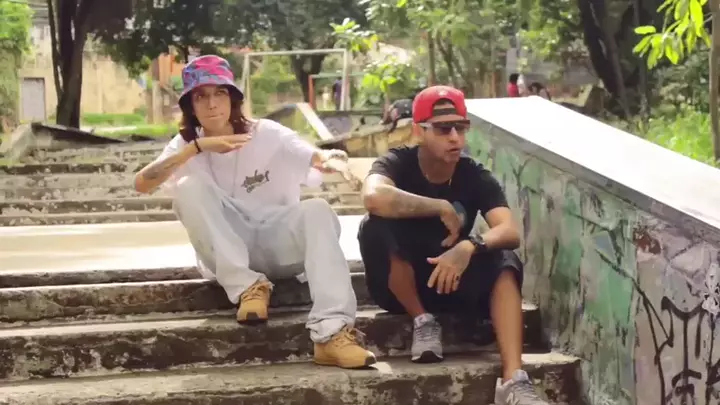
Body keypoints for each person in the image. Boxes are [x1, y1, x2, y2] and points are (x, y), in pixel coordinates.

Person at [134, 55, 376, 370]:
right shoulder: (185, 145)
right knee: (189, 187)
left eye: (220, 93)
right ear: (190, 105)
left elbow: (313, 156)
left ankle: (332, 334)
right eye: (201, 96)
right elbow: (142, 183)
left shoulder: (267, 133)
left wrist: (334, 161)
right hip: (227, 256)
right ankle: (248, 287)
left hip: (278, 245)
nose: (211, 104)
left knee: (317, 210)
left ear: (233, 99)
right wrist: (196, 149)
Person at [357, 85, 550, 405]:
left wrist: (469, 246)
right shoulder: (398, 163)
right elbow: (373, 197)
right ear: (419, 131)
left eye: (460, 128)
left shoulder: (473, 174)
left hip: (450, 278)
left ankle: (513, 380)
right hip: (399, 286)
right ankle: (422, 320)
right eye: (443, 129)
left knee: (505, 258)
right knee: (374, 225)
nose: (455, 138)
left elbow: (509, 230)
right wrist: (439, 207)